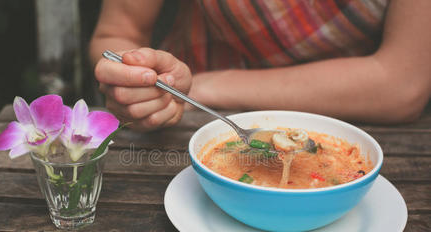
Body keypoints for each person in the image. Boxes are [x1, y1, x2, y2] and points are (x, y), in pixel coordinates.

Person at [90, 0, 431, 132]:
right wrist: (140, 80)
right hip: (184, 126)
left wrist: (204, 88)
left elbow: (402, 84)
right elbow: (116, 33)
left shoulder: (203, 89)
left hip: (359, 128)